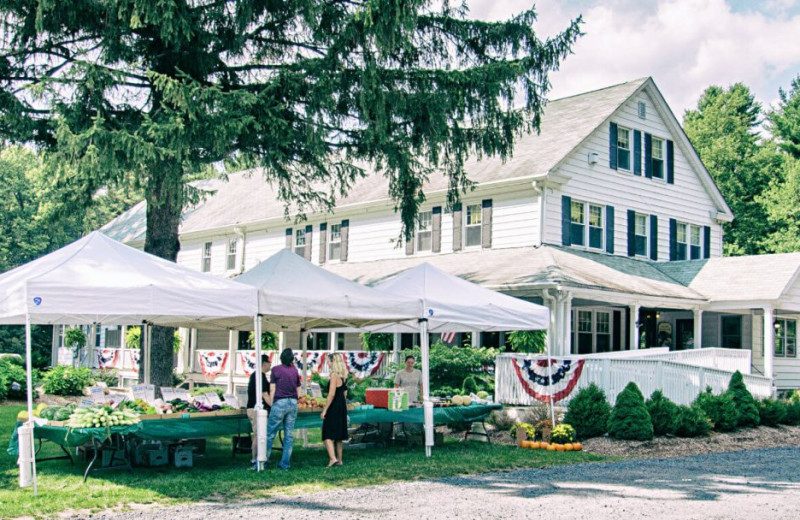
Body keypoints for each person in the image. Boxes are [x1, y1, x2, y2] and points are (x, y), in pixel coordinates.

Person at [265, 348, 301, 470]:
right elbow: (299, 390)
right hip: (293, 402)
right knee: (289, 435)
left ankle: (264, 460)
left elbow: (272, 389)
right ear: (292, 359)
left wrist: (271, 403)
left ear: (281, 358)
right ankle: (285, 464)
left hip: (280, 402)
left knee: (270, 433)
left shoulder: (275, 370)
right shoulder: (295, 371)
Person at [321, 353, 349, 467]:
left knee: (327, 433)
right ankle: (340, 460)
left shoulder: (333, 375)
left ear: (334, 362)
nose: (327, 363)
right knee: (339, 435)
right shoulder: (343, 375)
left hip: (334, 407)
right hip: (341, 406)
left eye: (329, 361)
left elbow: (331, 394)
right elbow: (345, 392)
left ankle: (333, 459)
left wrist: (325, 410)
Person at [246, 354, 271, 469]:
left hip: (255, 408)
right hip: (255, 409)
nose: (270, 364)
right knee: (258, 435)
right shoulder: (259, 376)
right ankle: (255, 459)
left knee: (260, 434)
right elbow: (264, 394)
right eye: (269, 362)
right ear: (264, 363)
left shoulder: (258, 376)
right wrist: (273, 405)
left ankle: (259, 458)